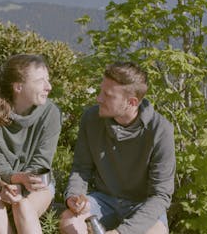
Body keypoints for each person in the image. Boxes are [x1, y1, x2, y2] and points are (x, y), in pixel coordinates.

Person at [59, 61, 175, 234]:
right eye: (101, 91)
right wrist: (74, 196)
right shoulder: (91, 118)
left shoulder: (160, 130)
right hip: (103, 200)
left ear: (132, 102)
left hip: (143, 206)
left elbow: (160, 196)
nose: (99, 98)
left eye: (108, 95)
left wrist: (122, 232)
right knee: (69, 221)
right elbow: (81, 169)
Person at [0, 54, 62, 234]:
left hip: (37, 184)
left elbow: (42, 163)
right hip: (2, 182)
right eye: (41, 81)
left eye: (48, 80)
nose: (48, 87)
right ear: (18, 86)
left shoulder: (51, 113)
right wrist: (8, 184)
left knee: (24, 208)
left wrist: (21, 186)